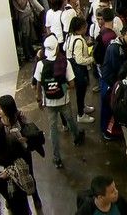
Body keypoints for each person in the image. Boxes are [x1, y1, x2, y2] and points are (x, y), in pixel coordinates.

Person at [34, 35, 85, 169]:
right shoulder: (65, 62)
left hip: (49, 103)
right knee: (70, 120)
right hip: (63, 100)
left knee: (53, 130)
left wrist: (39, 99)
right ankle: (77, 138)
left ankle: (57, 158)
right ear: (57, 48)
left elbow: (38, 85)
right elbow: (72, 84)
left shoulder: (40, 64)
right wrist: (61, 86)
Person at [0, 94, 42, 210]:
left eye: (1, 108)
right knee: (11, 178)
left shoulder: (19, 116)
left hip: (23, 152)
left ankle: (35, 196)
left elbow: (27, 130)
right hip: (8, 156)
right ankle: (12, 199)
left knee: (29, 175)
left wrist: (25, 138)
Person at [65, 17, 95, 123]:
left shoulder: (69, 37)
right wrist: (91, 59)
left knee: (81, 91)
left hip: (72, 68)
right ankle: (81, 114)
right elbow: (79, 60)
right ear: (81, 28)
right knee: (80, 91)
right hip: (79, 70)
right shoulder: (79, 41)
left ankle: (82, 107)